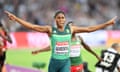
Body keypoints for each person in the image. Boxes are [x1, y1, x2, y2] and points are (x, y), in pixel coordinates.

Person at [5, 10, 116, 72]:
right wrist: (16, 19)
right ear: (55, 19)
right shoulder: (50, 30)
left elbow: (89, 29)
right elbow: (33, 27)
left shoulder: (71, 29)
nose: (61, 20)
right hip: (54, 63)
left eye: (63, 18)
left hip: (65, 62)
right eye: (59, 18)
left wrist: (106, 24)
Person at [32, 34, 101, 72]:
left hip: (78, 64)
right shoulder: (64, 39)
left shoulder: (79, 38)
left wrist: (95, 55)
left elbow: (87, 47)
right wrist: (39, 50)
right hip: (68, 65)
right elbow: (52, 47)